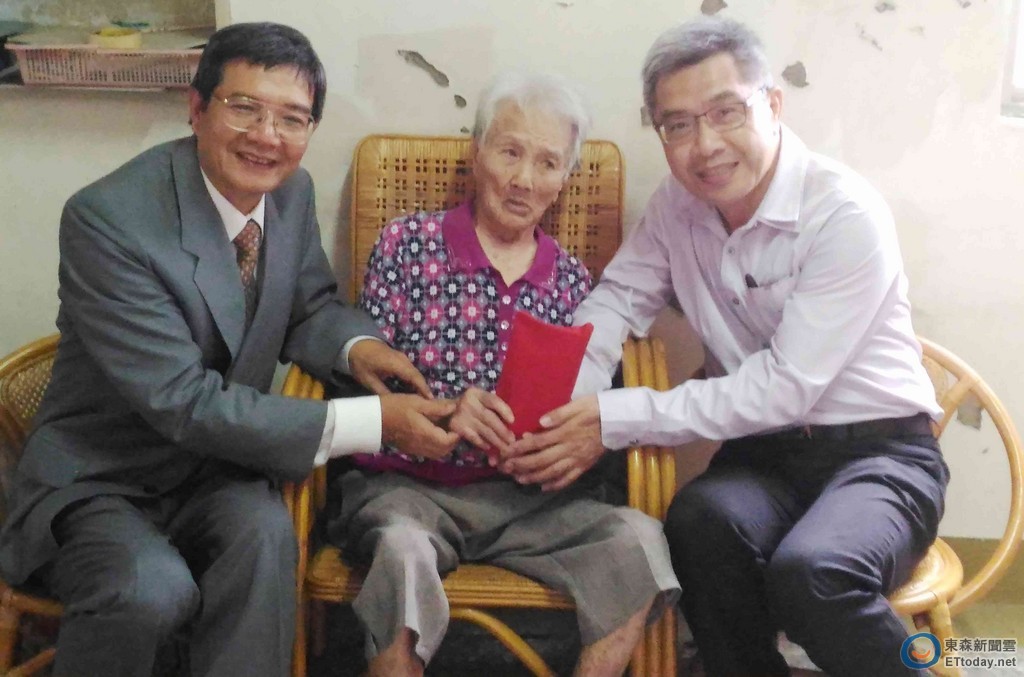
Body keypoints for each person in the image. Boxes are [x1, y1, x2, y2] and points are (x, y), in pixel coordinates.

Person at [0, 22, 458, 677]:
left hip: (213, 467)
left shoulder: (290, 193)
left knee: (268, 535)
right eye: (244, 107)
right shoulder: (109, 220)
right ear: (196, 108)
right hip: (101, 477)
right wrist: (375, 422)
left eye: (292, 118)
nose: (267, 136)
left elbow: (309, 307)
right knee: (150, 586)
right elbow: (183, 400)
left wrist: (357, 348)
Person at [502, 17, 948, 677]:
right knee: (696, 526)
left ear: (773, 104)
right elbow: (616, 301)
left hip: (879, 454)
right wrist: (565, 405)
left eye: (725, 112)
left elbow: (785, 387)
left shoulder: (842, 212)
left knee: (814, 572)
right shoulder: (675, 208)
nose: (704, 145)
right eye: (678, 125)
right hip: (763, 458)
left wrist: (615, 418)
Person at [327, 72, 680, 677]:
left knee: (640, 543)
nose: (524, 179)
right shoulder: (407, 245)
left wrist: (570, 444)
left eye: (547, 162)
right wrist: (447, 413)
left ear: (564, 178)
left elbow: (587, 400)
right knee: (401, 552)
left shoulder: (572, 282)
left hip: (532, 505)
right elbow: (367, 381)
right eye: (510, 152)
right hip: (409, 492)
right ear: (477, 151)